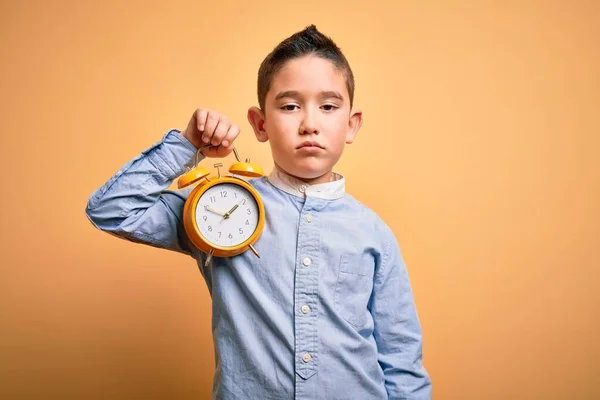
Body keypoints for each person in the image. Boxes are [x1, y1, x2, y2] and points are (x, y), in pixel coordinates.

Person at [86, 25, 432, 399]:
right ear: (260, 123)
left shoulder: (374, 233)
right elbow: (111, 210)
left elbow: (401, 360)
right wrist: (187, 147)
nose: (310, 123)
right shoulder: (216, 208)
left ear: (351, 125)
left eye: (328, 106)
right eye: (289, 106)